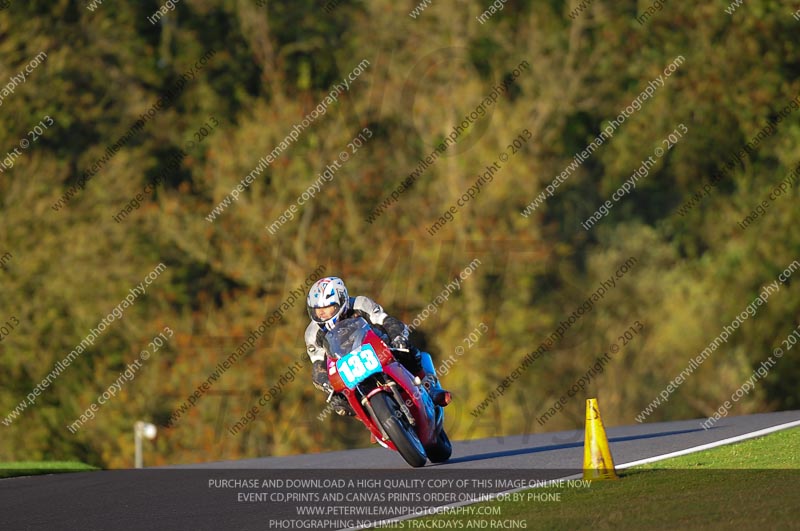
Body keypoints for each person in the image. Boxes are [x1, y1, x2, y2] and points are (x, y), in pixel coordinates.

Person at [305, 276, 451, 416]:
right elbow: (317, 365)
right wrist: (325, 382)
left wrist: (397, 337)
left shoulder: (360, 304)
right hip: (348, 368)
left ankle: (431, 388)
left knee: (408, 352)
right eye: (317, 310)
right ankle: (375, 423)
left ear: (341, 299)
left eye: (327, 308)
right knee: (339, 404)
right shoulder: (312, 333)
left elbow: (386, 321)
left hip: (379, 348)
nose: (322, 314)